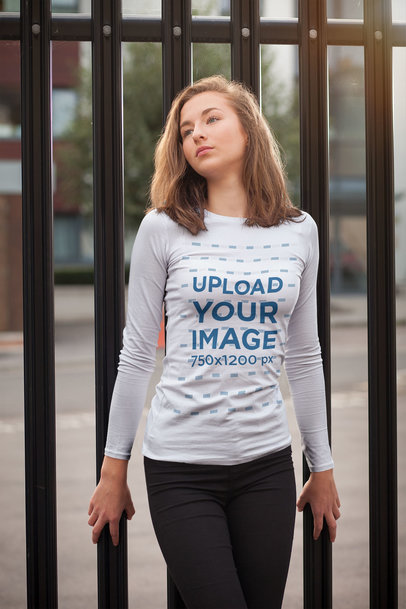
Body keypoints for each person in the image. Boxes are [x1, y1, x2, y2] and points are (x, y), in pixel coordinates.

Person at [88, 75, 340, 609]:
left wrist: (322, 466)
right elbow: (136, 353)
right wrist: (114, 472)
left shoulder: (299, 230)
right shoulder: (163, 228)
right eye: (185, 129)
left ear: (248, 129)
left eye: (211, 119)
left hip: (267, 465)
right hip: (180, 468)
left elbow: (304, 354)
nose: (195, 135)